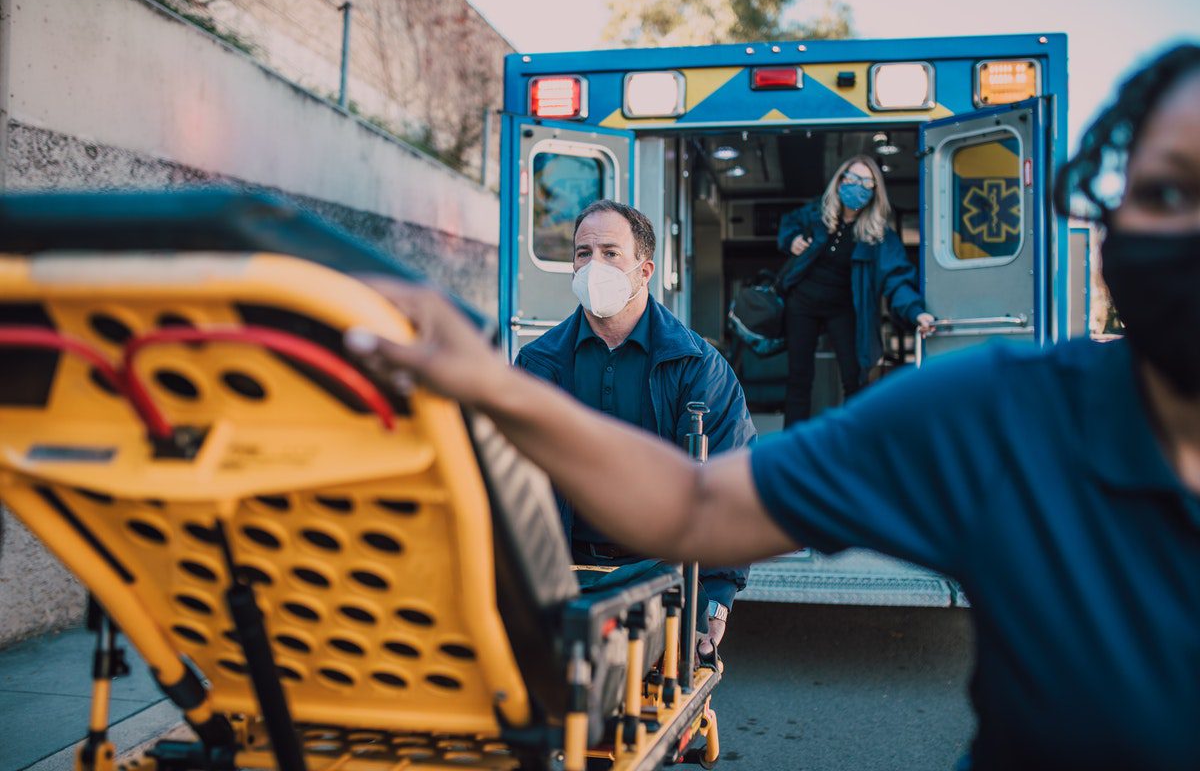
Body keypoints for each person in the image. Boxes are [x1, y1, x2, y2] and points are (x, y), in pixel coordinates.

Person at [346, 43, 1200, 769]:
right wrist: (491, 385)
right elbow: (697, 503)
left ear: (647, 268)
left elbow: (890, 286)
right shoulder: (999, 416)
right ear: (1112, 209)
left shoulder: (712, 357)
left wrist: (911, 312)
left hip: (849, 329)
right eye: (1168, 193)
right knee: (797, 390)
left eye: (609, 251)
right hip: (792, 328)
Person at [514, 199, 756, 659]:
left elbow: (731, 478)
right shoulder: (538, 364)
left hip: (659, 574)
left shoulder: (697, 367)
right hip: (559, 572)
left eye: (610, 253)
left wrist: (718, 593)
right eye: (583, 254)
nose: (592, 265)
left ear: (644, 271)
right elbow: (507, 477)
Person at [775, 155, 936, 425]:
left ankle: (852, 445)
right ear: (839, 182)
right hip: (802, 303)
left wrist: (917, 313)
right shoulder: (816, 214)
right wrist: (791, 240)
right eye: (851, 178)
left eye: (865, 181)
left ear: (875, 191)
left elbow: (896, 276)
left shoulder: (878, 235)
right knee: (799, 378)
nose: (856, 186)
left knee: (855, 378)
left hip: (844, 308)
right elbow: (788, 223)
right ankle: (793, 446)